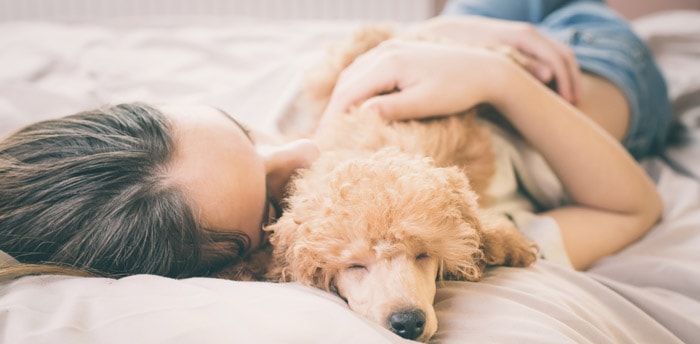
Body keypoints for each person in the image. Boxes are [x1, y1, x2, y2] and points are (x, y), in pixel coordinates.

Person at [0, 0, 669, 279]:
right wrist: (495, 78)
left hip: (469, 29)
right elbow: (630, 208)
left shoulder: (201, 174)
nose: (299, 152)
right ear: (246, 262)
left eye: (245, 131)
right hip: (585, 76)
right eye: (271, 198)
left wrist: (451, 36)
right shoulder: (405, 232)